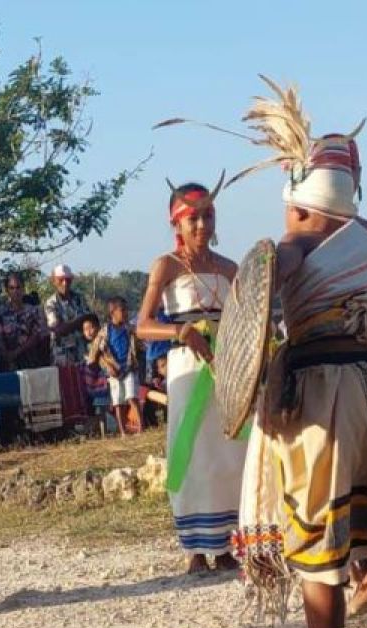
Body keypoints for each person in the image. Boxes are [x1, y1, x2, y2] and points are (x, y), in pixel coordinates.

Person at [212, 80, 367, 628]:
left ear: (299, 199)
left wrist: (266, 372)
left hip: (325, 391)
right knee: (366, 503)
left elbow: (254, 327)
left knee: (315, 542)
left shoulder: (288, 250)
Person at [137, 179, 246, 573]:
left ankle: (228, 543)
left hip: (226, 369)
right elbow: (143, 325)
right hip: (186, 371)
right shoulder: (166, 266)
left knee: (230, 453)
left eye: (209, 216)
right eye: (193, 218)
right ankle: (196, 548)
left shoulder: (230, 269)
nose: (202, 225)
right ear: (177, 223)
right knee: (194, 454)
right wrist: (178, 332)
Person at [86, 296, 143, 437]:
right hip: (114, 371)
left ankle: (141, 428)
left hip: (128, 367)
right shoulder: (105, 331)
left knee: (132, 397)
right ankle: (123, 432)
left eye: (126, 310)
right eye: (122, 310)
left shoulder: (130, 329)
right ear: (112, 312)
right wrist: (106, 366)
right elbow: (96, 352)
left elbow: (140, 346)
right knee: (118, 402)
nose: (125, 313)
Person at [0, 273, 50, 371]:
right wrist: (7, 355)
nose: (16, 291)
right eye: (12, 288)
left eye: (18, 287)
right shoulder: (0, 313)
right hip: (9, 365)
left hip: (33, 363)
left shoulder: (34, 311)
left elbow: (38, 335)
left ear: (23, 289)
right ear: (7, 290)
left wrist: (16, 352)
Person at [43, 264, 93, 367]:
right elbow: (58, 329)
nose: (65, 283)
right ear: (54, 281)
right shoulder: (51, 303)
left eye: (68, 279)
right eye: (61, 279)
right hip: (61, 358)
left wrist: (73, 324)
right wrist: (80, 321)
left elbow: (90, 322)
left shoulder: (79, 299)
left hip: (81, 354)